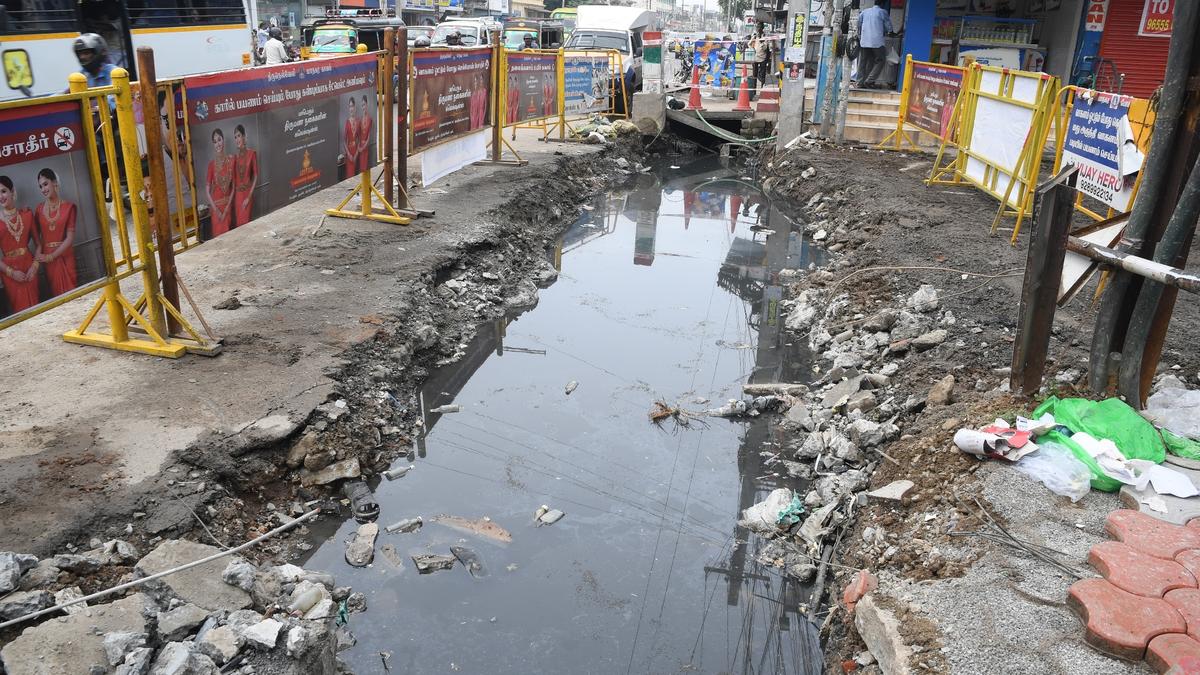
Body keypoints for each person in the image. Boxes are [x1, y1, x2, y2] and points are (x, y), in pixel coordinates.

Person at [32, 168, 78, 297]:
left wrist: (51, 256)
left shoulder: (69, 207)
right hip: (49, 262)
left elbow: (69, 238)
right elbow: (36, 237)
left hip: (65, 256)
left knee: (73, 295)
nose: (43, 189)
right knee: (58, 297)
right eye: (40, 186)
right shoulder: (39, 209)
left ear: (55, 182)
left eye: (45, 184)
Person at [0, 176, 40, 313]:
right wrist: (12, 273)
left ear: (12, 191)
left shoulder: (27, 214)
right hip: (10, 273)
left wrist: (35, 266)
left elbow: (39, 245)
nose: (1, 197)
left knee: (36, 309)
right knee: (21, 313)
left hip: (29, 268)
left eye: (3, 191)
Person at [205, 129, 235, 237]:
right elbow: (207, 191)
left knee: (229, 237)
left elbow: (233, 188)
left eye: (219, 140)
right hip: (216, 209)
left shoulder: (231, 161)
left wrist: (227, 208)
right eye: (215, 141)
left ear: (223, 140)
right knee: (218, 239)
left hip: (228, 207)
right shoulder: (211, 165)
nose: (217, 144)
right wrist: (216, 210)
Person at [857, 1, 893, 89]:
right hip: (877, 42)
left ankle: (860, 83)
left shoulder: (865, 11)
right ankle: (869, 81)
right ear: (882, 4)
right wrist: (890, 32)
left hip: (864, 41)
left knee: (863, 62)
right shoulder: (882, 12)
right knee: (881, 60)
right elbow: (888, 26)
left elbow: (859, 24)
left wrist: (861, 34)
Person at [232, 125, 257, 228]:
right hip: (238, 196)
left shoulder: (252, 154)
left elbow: (255, 176)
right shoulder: (234, 158)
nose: (237, 139)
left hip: (247, 195)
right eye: (235, 137)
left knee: (247, 225)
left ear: (243, 136)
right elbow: (233, 179)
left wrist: (248, 197)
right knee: (239, 226)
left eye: (238, 136)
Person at [750, 25, 770, 93]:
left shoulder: (764, 37)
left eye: (759, 27)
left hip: (763, 58)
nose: (758, 29)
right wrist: (753, 39)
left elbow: (765, 48)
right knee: (754, 75)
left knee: (762, 75)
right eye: (757, 27)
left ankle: (762, 89)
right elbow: (749, 44)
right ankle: (754, 90)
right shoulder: (755, 36)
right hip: (756, 58)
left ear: (762, 28)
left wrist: (762, 42)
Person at [343, 98, 360, 176]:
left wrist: (356, 154)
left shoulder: (358, 121)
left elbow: (359, 139)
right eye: (350, 106)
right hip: (349, 152)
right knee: (349, 175)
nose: (351, 108)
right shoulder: (347, 122)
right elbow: (344, 141)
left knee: (356, 174)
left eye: (352, 106)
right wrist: (349, 154)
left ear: (355, 107)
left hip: (356, 151)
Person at [357, 95, 372, 174]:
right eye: (362, 105)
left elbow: (369, 136)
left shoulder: (370, 119)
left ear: (367, 105)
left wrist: (363, 148)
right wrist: (359, 147)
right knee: (360, 169)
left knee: (365, 167)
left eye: (364, 105)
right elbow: (358, 135)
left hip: (366, 147)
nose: (363, 107)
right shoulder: (360, 120)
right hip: (360, 147)